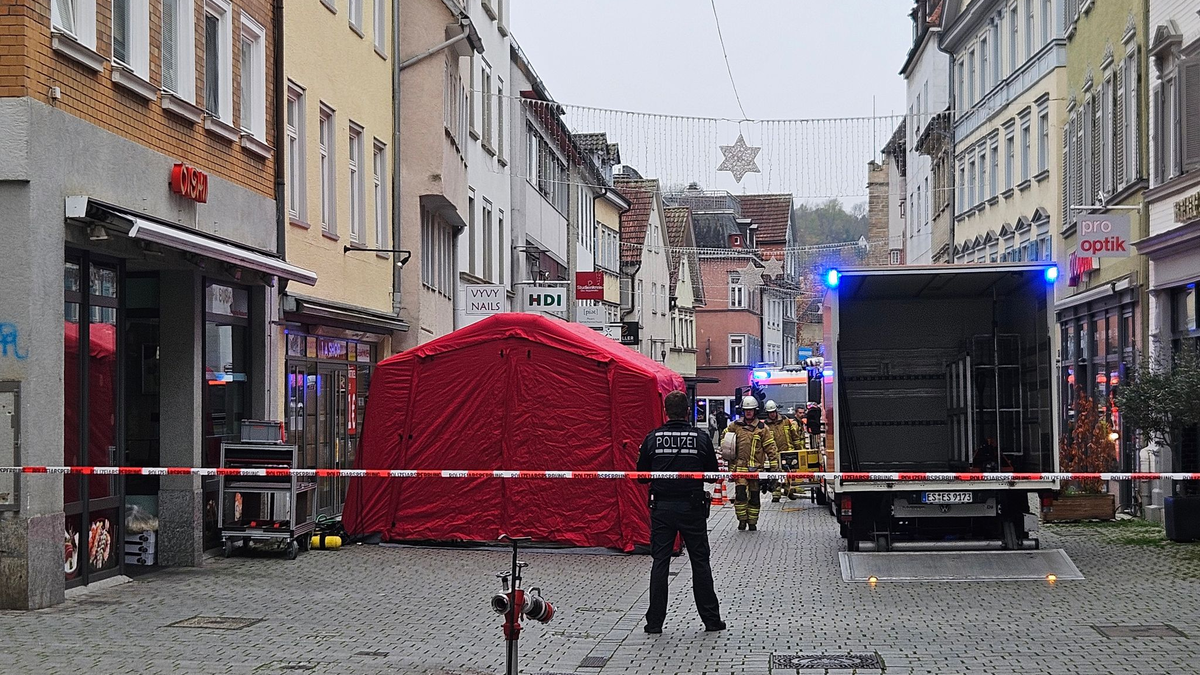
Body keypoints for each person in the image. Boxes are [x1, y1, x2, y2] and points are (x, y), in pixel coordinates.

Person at [636, 391, 725, 634]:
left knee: (660, 563)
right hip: (692, 509)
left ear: (665, 412)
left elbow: (641, 477)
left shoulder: (653, 438)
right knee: (700, 562)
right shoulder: (701, 438)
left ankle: (654, 623)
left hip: (662, 509)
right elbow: (712, 475)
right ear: (688, 411)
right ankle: (711, 620)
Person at [725, 396, 777, 531]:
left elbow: (770, 448)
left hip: (756, 470)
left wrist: (774, 468)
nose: (748, 412)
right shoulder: (735, 426)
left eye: (751, 410)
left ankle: (752, 522)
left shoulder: (762, 428)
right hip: (740, 469)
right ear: (742, 411)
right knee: (740, 495)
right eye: (746, 410)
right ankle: (742, 520)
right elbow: (726, 443)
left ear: (755, 411)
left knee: (754, 497)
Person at [763, 400, 804, 502]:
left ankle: (789, 491)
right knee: (776, 473)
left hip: (788, 451)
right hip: (775, 453)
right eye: (770, 413)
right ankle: (776, 494)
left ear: (776, 411)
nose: (772, 414)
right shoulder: (765, 426)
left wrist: (799, 450)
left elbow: (794, 436)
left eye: (773, 412)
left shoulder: (785, 420)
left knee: (789, 473)